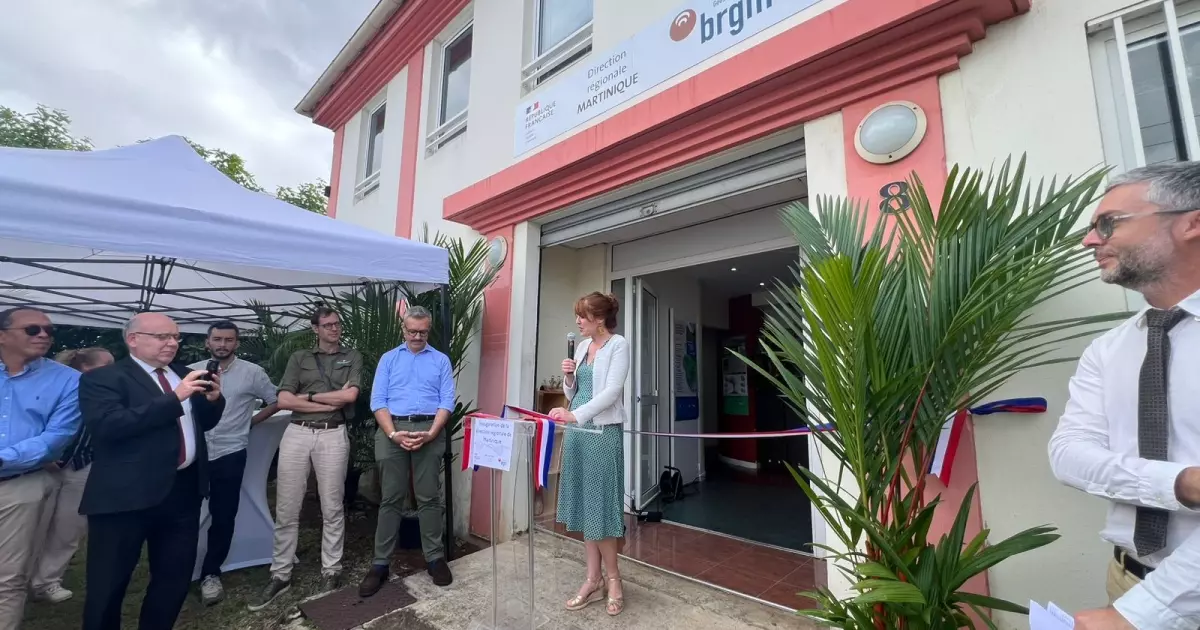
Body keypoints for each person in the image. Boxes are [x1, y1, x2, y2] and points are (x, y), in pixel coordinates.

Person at [1048, 162, 1200, 630]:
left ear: (1192, 223)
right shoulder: (1108, 349)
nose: (1089, 241)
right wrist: (1179, 483)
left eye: (1107, 223)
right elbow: (1069, 456)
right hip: (1125, 578)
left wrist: (1144, 612)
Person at [78, 312, 225, 630]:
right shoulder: (104, 378)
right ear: (133, 339)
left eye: (175, 337)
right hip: (125, 496)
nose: (172, 343)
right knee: (109, 583)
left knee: (173, 577)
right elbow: (108, 427)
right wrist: (175, 398)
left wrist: (213, 400)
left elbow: (201, 424)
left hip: (182, 492)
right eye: (162, 337)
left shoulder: (184, 373)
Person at [251, 306, 361, 611]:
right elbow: (283, 400)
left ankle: (331, 570)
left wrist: (307, 398)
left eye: (337, 324)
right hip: (297, 432)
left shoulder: (351, 356)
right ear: (315, 329)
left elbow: (350, 397)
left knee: (332, 505)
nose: (334, 329)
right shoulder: (300, 358)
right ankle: (280, 574)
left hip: (333, 433)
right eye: (327, 325)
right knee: (287, 505)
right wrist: (325, 400)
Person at [359, 306, 455, 596]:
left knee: (429, 497)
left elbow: (447, 401)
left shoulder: (440, 360)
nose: (417, 336)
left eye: (422, 332)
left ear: (428, 330)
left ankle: (435, 558)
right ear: (404, 329)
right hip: (393, 429)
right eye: (412, 331)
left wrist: (431, 434)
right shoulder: (389, 360)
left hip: (429, 427)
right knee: (391, 497)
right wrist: (392, 434)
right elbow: (378, 401)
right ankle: (380, 563)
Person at [188, 321, 279, 606]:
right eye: (217, 339)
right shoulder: (190, 372)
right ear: (207, 342)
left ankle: (210, 573)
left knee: (224, 514)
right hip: (195, 454)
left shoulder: (253, 373)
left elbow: (276, 400)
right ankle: (177, 570)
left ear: (236, 343)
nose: (223, 345)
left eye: (229, 340)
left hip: (231, 451)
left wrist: (251, 422)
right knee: (184, 514)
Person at [0, 307, 81, 628]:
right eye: (33, 329)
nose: (44, 335)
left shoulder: (67, 380)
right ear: (3, 335)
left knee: (8, 575)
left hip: (22, 485)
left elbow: (56, 438)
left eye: (49, 330)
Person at [550, 292, 630, 617]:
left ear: (598, 319)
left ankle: (614, 580)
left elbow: (611, 393)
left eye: (582, 316)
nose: (578, 323)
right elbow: (577, 391)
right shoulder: (582, 348)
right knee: (584, 506)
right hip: (579, 435)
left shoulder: (618, 345)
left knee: (600, 508)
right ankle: (592, 578)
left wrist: (575, 415)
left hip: (601, 434)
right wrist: (569, 377)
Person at [26, 347, 113, 606]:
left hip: (83, 466)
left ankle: (46, 582)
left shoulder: (107, 394)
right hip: (42, 466)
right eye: (107, 366)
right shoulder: (57, 388)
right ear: (87, 368)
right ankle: (17, 582)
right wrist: (44, 456)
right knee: (33, 526)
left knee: (69, 528)